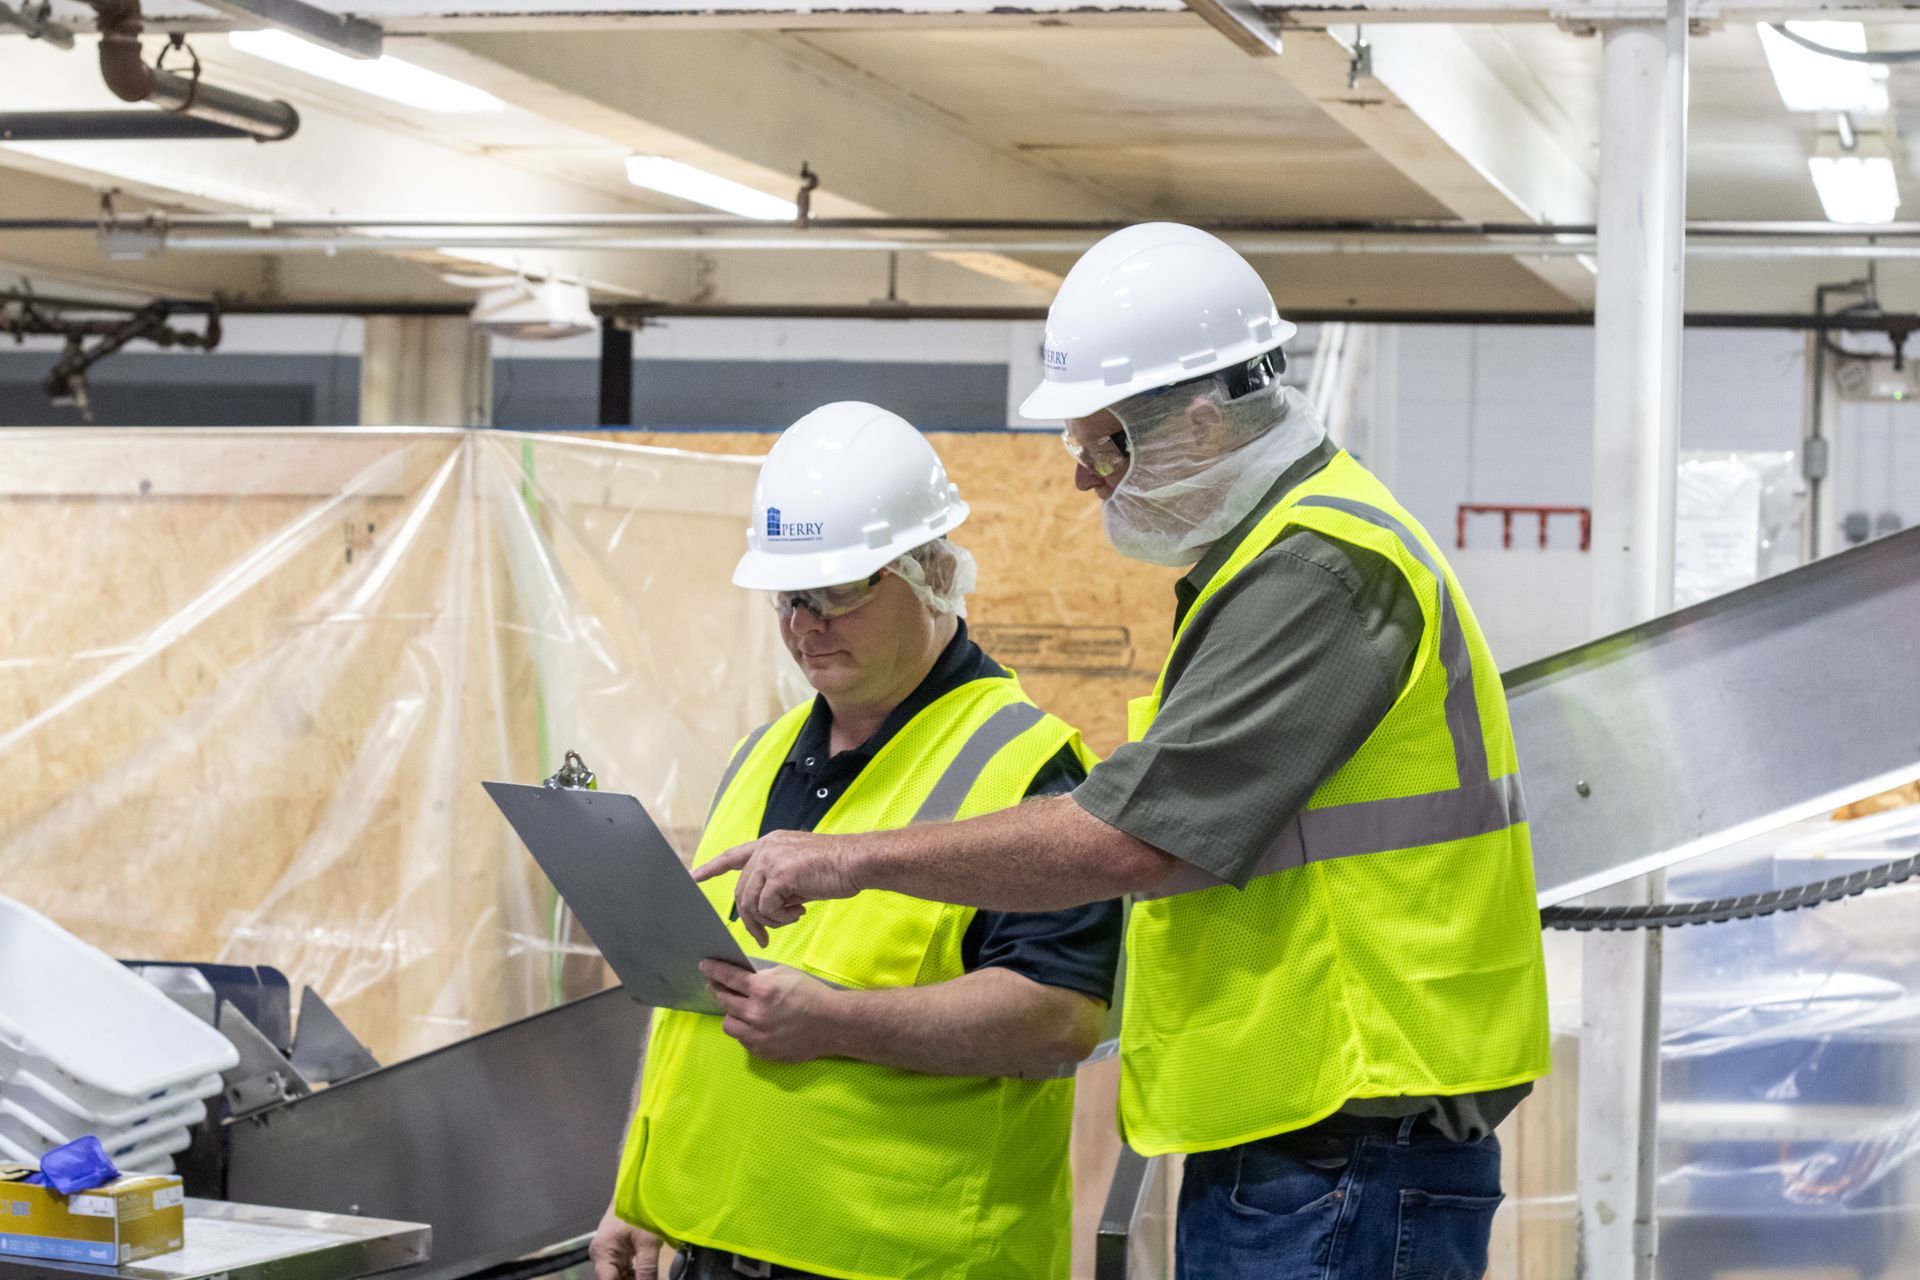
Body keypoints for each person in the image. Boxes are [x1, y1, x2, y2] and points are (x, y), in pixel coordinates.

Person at [697, 226, 1553, 1279]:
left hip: (1347, 1143)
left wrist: (844, 858)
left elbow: (1133, 837)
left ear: (1198, 419)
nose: (1084, 484)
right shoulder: (1268, 561)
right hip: (1301, 1136)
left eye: (1106, 448)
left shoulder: (1321, 570)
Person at [589, 401, 1121, 1280]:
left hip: (906, 1261)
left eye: (838, 592)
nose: (806, 624)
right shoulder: (762, 754)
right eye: (790, 597)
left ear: (933, 571)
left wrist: (834, 1022)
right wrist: (637, 1195)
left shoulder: (1031, 767)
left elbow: (1054, 1020)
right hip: (710, 1249)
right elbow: (696, 997)